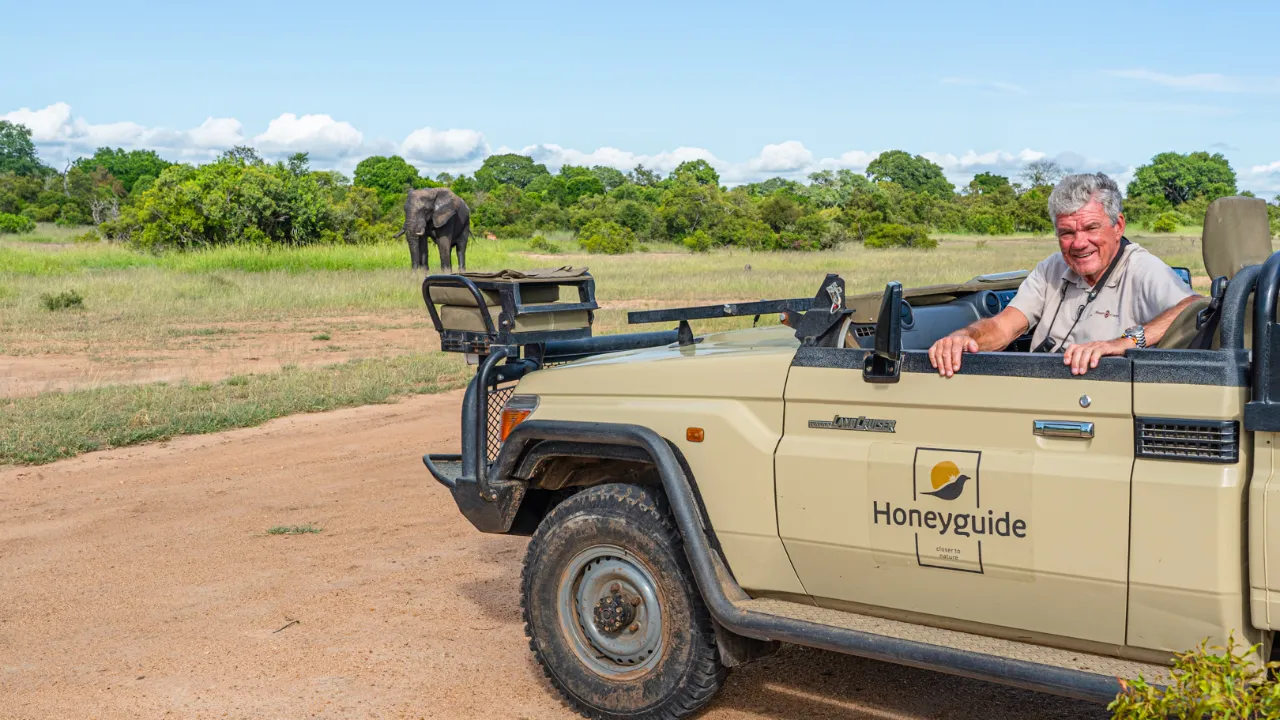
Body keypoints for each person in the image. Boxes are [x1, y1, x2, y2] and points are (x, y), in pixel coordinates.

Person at [928, 172, 1199, 377]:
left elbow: (1195, 306)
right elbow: (1004, 326)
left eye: (1091, 228)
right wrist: (964, 338)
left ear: (1118, 226)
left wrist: (1123, 343)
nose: (1079, 243)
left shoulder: (1141, 267)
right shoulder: (1051, 268)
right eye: (1067, 233)